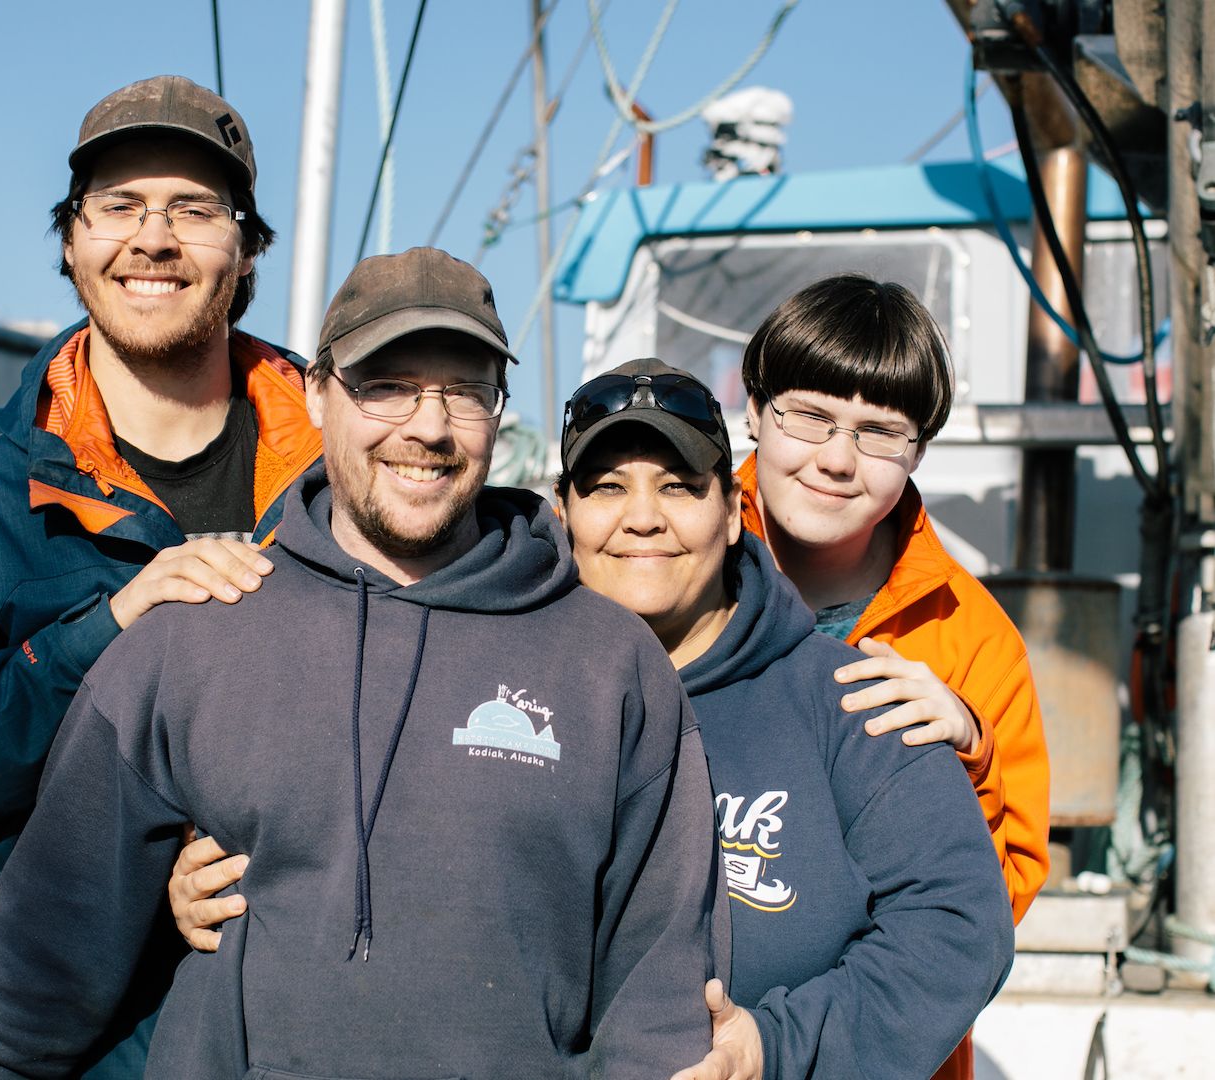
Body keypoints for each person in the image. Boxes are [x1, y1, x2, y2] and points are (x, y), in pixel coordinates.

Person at [0, 247, 726, 1079]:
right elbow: (33, 975)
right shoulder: (190, 640)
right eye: (388, 385)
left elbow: (655, 996)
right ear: (315, 393)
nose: (429, 426)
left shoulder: (609, 663)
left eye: (465, 392)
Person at [172, 356, 1016, 1079]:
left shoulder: (849, 699)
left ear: (730, 512)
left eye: (679, 488)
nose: (641, 517)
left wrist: (776, 1047)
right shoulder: (469, 668)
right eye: (606, 487)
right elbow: (345, 823)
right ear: (562, 511)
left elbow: (955, 926)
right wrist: (197, 883)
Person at [0, 74, 321, 1072]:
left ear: (248, 245)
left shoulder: (345, 487)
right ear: (71, 242)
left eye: (194, 210)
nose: (153, 239)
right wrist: (100, 635)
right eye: (117, 207)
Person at [738, 274, 1051, 1080]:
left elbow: (990, 910)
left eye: (880, 433)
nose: (837, 460)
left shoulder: (975, 639)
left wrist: (969, 754)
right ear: (751, 410)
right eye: (808, 416)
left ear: (918, 452)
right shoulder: (653, 561)